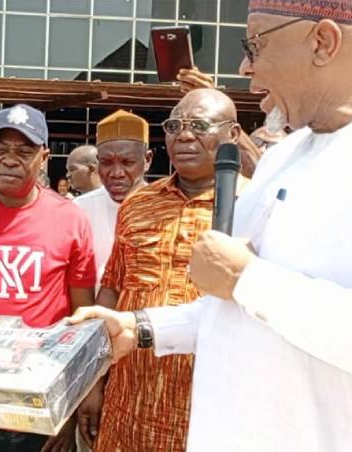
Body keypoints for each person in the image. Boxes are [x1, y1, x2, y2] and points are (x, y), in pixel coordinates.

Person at [69, 1, 352, 450]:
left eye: (255, 45)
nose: (244, 67)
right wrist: (139, 328)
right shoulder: (282, 158)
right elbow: (232, 309)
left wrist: (249, 279)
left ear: (323, 41)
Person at [79, 89, 245, 452]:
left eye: (199, 125)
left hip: (207, 408)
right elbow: (111, 291)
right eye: (174, 126)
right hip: (129, 403)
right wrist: (93, 382)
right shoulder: (137, 205)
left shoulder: (250, 206)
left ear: (233, 135)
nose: (184, 135)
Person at [0, 104, 96, 452]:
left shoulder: (71, 219)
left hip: (40, 397)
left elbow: (83, 320)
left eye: (24, 151)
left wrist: (67, 407)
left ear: (44, 158)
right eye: (0, 150)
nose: (10, 160)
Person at [73, 110, 153, 293]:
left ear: (147, 160)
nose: (116, 173)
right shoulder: (78, 210)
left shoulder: (166, 209)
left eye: (127, 162)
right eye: (107, 163)